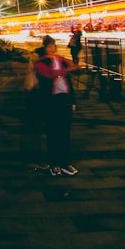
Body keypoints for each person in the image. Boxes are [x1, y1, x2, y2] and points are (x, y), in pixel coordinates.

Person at [34, 36, 79, 177]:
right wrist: (65, 70)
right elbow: (49, 75)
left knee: (65, 133)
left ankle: (65, 163)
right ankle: (54, 164)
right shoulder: (42, 62)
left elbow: (74, 66)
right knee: (53, 133)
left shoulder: (60, 59)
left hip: (65, 99)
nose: (52, 49)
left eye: (53, 46)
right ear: (45, 48)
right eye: (49, 46)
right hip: (50, 101)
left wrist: (73, 100)